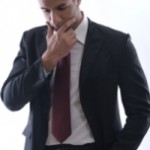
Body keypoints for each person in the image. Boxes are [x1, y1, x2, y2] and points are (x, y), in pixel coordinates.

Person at [1, 0, 150, 150]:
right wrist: (47, 59)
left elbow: (141, 112)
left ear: (78, 1)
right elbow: (11, 100)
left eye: (61, 8)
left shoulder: (116, 44)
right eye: (46, 11)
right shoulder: (31, 40)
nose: (54, 20)